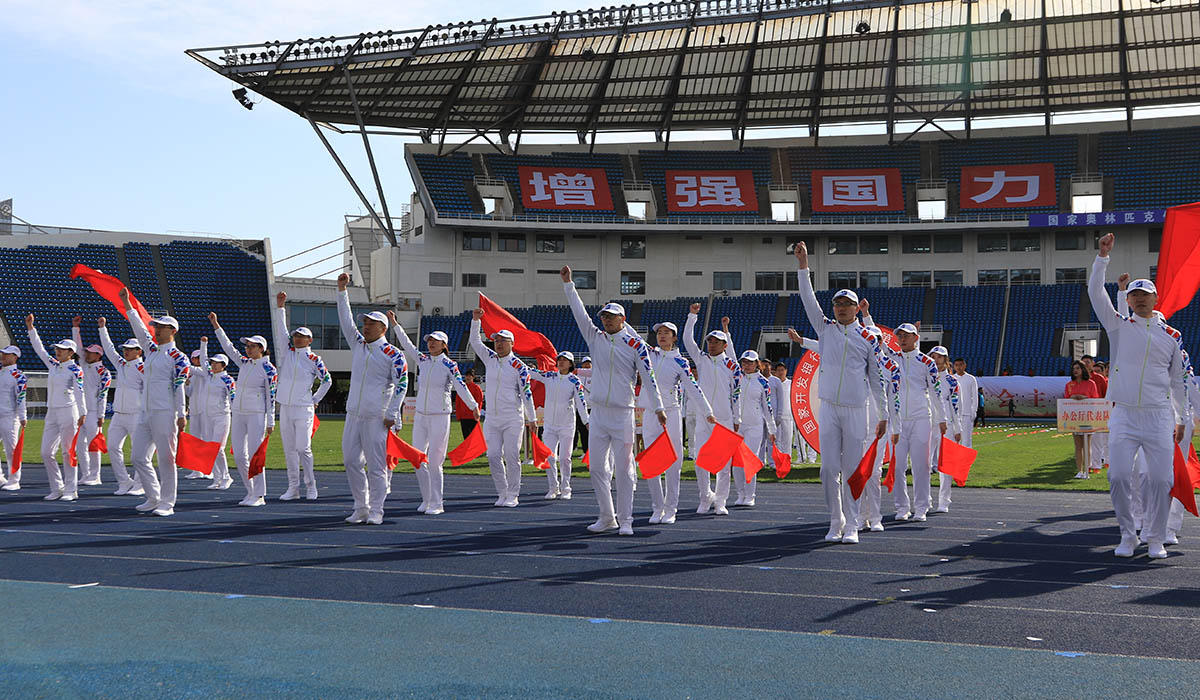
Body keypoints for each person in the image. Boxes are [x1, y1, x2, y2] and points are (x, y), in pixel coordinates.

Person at [1088, 232, 1188, 559]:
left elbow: (1178, 381)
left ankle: (1155, 538)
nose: (1140, 299)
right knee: (1118, 477)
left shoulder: (1172, 336)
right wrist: (1102, 258)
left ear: (1155, 299)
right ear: (1128, 301)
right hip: (1125, 414)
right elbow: (1095, 294)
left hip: (1158, 417)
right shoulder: (1119, 327)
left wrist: (1182, 418)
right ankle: (1128, 535)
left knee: (1160, 480)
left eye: (1145, 295)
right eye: (1134, 295)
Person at [791, 242, 888, 544]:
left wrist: (883, 414)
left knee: (852, 470)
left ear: (857, 308)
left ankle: (853, 524)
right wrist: (803, 266)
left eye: (847, 304)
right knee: (828, 469)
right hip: (830, 408)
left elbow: (877, 379)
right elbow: (808, 299)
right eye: (837, 304)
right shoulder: (825, 329)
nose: (841, 308)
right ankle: (836, 521)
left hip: (857, 410)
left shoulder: (868, 338)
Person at [562, 266, 666, 535]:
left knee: (624, 468)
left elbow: (649, 377)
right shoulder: (595, 338)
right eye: (604, 317)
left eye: (611, 317)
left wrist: (658, 406)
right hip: (598, 413)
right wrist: (569, 285)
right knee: (597, 468)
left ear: (623, 319)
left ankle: (626, 520)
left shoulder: (635, 345)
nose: (606, 321)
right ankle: (607, 516)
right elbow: (579, 314)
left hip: (622, 415)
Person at [336, 273, 408, 525]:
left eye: (371, 323)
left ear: (383, 329)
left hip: (378, 417)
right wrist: (342, 291)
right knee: (350, 461)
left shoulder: (393, 354)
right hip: (353, 414)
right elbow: (346, 321)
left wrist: (392, 413)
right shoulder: (358, 344)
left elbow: (402, 384)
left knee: (377, 466)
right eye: (364, 322)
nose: (365, 326)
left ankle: (377, 510)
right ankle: (361, 507)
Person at [389, 312, 479, 514]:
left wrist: (473, 405)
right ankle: (426, 499)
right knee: (418, 459)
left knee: (435, 462)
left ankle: (437, 503)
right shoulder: (422, 360)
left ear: (444, 345)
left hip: (440, 416)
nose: (430, 343)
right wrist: (395, 324)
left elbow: (461, 386)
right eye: (429, 340)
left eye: (435, 341)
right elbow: (407, 345)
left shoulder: (450, 365)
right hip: (421, 416)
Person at [117, 289, 190, 517]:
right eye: (156, 326)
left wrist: (181, 413)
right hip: (145, 412)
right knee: (138, 457)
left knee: (166, 459)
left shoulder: (179, 358)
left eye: (161, 327)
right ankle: (153, 497)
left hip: (165, 413)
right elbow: (139, 329)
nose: (156, 329)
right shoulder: (151, 351)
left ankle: (167, 503)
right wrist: (128, 305)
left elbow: (179, 386)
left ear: (173, 331)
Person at [641, 321, 713, 524]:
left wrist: (707, 411)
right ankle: (657, 508)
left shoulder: (680, 362)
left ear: (674, 337)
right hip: (650, 414)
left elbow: (693, 388)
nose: (662, 336)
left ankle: (671, 508)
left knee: (673, 462)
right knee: (652, 462)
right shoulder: (648, 354)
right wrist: (622, 320)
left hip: (671, 414)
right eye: (659, 333)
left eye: (667, 333)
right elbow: (631, 336)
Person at [875, 323, 947, 524]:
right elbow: (876, 341)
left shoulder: (927, 362)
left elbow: (935, 391)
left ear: (916, 338)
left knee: (921, 465)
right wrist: (865, 315)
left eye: (907, 335)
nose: (902, 339)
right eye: (900, 336)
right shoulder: (893, 359)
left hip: (921, 418)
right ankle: (902, 507)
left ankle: (921, 507)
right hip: (897, 421)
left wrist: (942, 418)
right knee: (898, 466)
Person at [468, 312, 537, 508]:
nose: (498, 344)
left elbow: (526, 393)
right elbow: (475, 342)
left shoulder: (519, 367)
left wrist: (532, 418)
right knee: (492, 455)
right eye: (496, 340)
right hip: (492, 418)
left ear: (512, 344)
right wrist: (476, 321)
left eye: (503, 341)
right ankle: (502, 492)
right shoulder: (489, 358)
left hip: (512, 418)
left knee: (512, 456)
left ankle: (513, 494)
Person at [210, 313, 277, 507]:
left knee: (256, 455)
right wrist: (216, 325)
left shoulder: (269, 369)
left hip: (257, 415)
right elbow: (228, 347)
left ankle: (260, 494)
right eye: (247, 346)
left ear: (261, 348)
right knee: (239, 455)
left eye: (252, 346)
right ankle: (250, 491)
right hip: (238, 413)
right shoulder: (244, 363)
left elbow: (271, 397)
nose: (247, 349)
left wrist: (270, 421)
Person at [274, 293, 333, 501]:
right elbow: (280, 331)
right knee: (289, 450)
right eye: (296, 335)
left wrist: (315, 399)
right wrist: (280, 307)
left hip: (303, 408)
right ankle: (293, 488)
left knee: (303, 448)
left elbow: (327, 380)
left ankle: (311, 485)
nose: (297, 338)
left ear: (310, 340)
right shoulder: (287, 353)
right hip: (286, 407)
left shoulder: (314, 359)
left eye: (302, 336)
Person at [683, 304, 741, 516]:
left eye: (716, 342)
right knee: (701, 460)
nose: (712, 345)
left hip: (724, 418)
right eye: (709, 341)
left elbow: (736, 394)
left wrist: (737, 417)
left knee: (724, 463)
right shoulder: (701, 359)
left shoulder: (733, 366)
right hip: (704, 418)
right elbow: (687, 340)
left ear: (725, 345)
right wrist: (692, 316)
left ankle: (721, 501)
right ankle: (705, 496)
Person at [25, 315, 86, 502]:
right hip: (51, 412)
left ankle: (71, 489)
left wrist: (83, 413)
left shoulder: (75, 370)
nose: (57, 351)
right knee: (46, 452)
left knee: (68, 452)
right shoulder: (53, 365)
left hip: (69, 412)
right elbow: (40, 349)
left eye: (61, 349)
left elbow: (80, 392)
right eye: (57, 349)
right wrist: (31, 328)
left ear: (71, 353)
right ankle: (57, 488)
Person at [98, 318, 148, 495]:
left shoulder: (143, 368)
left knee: (139, 451)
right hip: (118, 414)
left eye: (130, 349)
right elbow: (109, 349)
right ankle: (124, 481)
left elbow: (150, 389)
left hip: (137, 414)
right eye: (125, 349)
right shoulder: (121, 364)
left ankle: (140, 484)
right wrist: (102, 329)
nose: (126, 351)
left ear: (139, 351)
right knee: (112, 447)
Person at [530, 351, 588, 501]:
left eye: (565, 360)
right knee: (549, 457)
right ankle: (553, 487)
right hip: (549, 425)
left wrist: (586, 421)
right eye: (559, 360)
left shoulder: (575, 381)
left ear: (571, 364)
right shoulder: (549, 376)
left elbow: (581, 402)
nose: (561, 362)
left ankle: (566, 488)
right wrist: (515, 363)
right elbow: (531, 372)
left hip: (567, 425)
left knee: (565, 458)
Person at [69, 317, 111, 488]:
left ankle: (96, 475)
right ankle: (86, 474)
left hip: (93, 413)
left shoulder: (104, 372)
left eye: (90, 352)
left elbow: (103, 394)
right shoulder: (84, 365)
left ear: (98, 355)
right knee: (80, 445)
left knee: (94, 445)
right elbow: (78, 347)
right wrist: (75, 328)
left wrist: (101, 415)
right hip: (81, 412)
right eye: (86, 352)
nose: (86, 354)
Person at [735, 350, 775, 507]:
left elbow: (767, 407)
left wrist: (772, 429)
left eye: (750, 362)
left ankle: (750, 495)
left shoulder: (763, 382)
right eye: (744, 362)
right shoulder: (737, 377)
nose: (746, 365)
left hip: (754, 426)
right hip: (737, 425)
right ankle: (740, 494)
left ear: (757, 364)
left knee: (750, 460)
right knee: (737, 462)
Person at [197, 337, 236, 489]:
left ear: (223, 365)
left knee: (218, 448)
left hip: (221, 416)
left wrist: (236, 416)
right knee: (209, 448)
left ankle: (226, 477)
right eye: (212, 362)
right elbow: (202, 360)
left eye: (216, 363)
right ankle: (217, 478)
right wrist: (203, 344)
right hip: (207, 416)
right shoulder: (209, 375)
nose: (213, 364)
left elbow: (233, 398)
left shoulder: (227, 380)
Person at [928, 346, 963, 514]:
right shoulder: (925, 378)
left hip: (946, 424)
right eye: (933, 356)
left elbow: (956, 406)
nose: (936, 360)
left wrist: (957, 428)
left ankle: (944, 500)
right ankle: (925, 500)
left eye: (940, 357)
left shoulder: (952, 381)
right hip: (927, 422)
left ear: (946, 359)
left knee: (947, 464)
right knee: (924, 463)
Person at [1064, 360, 1099, 480]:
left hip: (1087, 417)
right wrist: (1073, 398)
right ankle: (1079, 470)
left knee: (1086, 444)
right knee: (1078, 445)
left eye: (1078, 368)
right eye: (1074, 368)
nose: (1075, 371)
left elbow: (1095, 399)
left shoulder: (1091, 383)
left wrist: (1085, 398)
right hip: (1074, 418)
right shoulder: (1069, 384)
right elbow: (1065, 400)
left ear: (1083, 369)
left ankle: (1087, 469)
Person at [0, 346, 28, 491]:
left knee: (11, 450)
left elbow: (21, 398)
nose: (3, 356)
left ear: (15, 357)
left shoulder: (18, 376)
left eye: (7, 354)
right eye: (2, 353)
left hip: (10, 416)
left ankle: (14, 480)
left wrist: (23, 416)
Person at [183, 349, 212, 480]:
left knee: (206, 440)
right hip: (194, 410)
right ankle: (196, 470)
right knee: (195, 441)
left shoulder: (206, 372)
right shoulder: (193, 375)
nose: (198, 360)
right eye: (196, 358)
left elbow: (200, 371)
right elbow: (189, 393)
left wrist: (182, 364)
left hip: (205, 410)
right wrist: (186, 385)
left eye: (200, 357)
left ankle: (208, 470)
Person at [1081, 353, 1108, 474]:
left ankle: (1096, 465)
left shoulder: (1099, 378)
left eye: (1088, 362)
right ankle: (1087, 464)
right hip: (1083, 413)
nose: (1086, 365)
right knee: (1085, 441)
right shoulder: (1079, 378)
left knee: (1097, 439)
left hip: (1097, 412)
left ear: (1093, 363)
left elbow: (1105, 395)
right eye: (1083, 363)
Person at [770, 362, 795, 470]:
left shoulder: (791, 383)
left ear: (786, 371)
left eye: (782, 370)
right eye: (778, 370)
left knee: (787, 440)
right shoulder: (773, 383)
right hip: (776, 416)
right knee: (777, 441)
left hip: (788, 415)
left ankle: (787, 462)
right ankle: (777, 462)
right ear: (775, 372)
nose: (780, 372)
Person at [953, 358, 979, 448]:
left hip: (967, 414)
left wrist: (974, 411)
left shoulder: (971, 379)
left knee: (966, 440)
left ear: (965, 366)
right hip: (955, 414)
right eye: (956, 365)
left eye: (960, 365)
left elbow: (974, 396)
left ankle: (966, 457)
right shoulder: (952, 379)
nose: (958, 367)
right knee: (954, 440)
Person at [455, 368, 484, 439]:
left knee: (474, 438)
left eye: (469, 376)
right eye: (467, 376)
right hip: (463, 417)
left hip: (473, 417)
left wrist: (477, 413)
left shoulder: (477, 388)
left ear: (473, 377)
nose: (468, 377)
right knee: (466, 437)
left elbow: (479, 401)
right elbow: (458, 402)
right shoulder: (461, 388)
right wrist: (458, 415)